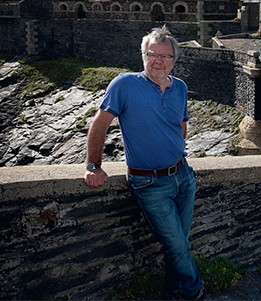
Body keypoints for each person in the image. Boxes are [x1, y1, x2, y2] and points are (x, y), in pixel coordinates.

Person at [84, 25, 210, 301]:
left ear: (174, 60)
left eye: (165, 56)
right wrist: (94, 165)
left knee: (178, 245)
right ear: (143, 57)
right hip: (148, 183)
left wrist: (177, 152)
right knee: (177, 246)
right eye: (152, 54)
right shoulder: (124, 84)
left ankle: (173, 290)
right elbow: (99, 124)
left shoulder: (180, 88)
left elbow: (181, 124)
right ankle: (195, 292)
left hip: (183, 177)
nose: (158, 61)